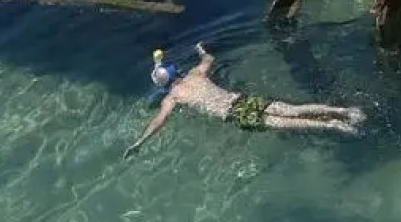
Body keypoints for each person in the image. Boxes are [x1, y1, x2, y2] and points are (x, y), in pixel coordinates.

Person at [123, 44, 366, 157]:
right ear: (177, 71)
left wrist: (140, 141)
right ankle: (344, 111)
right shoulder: (196, 73)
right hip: (241, 99)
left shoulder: (173, 96)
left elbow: (159, 121)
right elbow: (210, 58)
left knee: (288, 123)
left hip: (236, 115)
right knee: (294, 109)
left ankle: (333, 125)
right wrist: (199, 50)